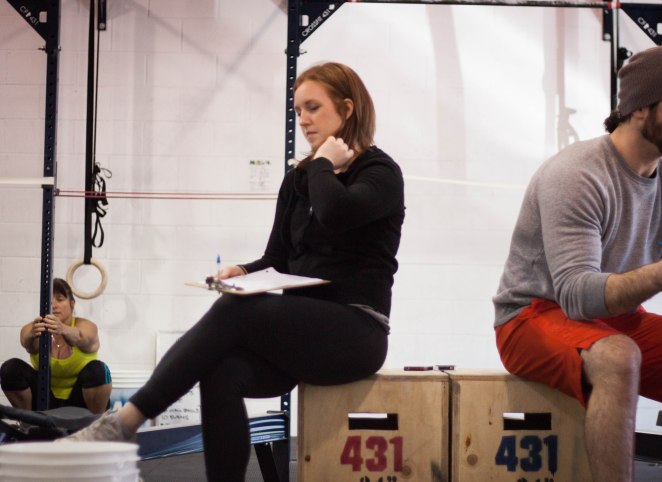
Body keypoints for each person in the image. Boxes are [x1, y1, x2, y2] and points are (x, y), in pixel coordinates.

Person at [64, 62, 405, 481]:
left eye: (313, 108)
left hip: (356, 333)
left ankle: (124, 422)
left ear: (347, 109)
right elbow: (278, 258)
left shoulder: (380, 173)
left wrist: (321, 164)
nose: (303, 120)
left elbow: (336, 211)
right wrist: (242, 271)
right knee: (221, 370)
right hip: (301, 336)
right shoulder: (298, 182)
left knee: (238, 310)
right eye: (298, 110)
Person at [493, 45, 662, 482]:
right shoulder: (577, 175)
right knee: (618, 356)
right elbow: (576, 296)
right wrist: (657, 274)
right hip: (531, 316)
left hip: (614, 320)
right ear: (639, 108)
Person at [0, 278, 112, 414]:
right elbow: (25, 339)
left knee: (99, 370)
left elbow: (81, 336)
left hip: (79, 402)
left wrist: (63, 329)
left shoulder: (86, 326)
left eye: (59, 299)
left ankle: (96, 423)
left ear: (72, 304)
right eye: (49, 301)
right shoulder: (37, 328)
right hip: (45, 400)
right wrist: (32, 334)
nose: (53, 305)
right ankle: (27, 421)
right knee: (10, 368)